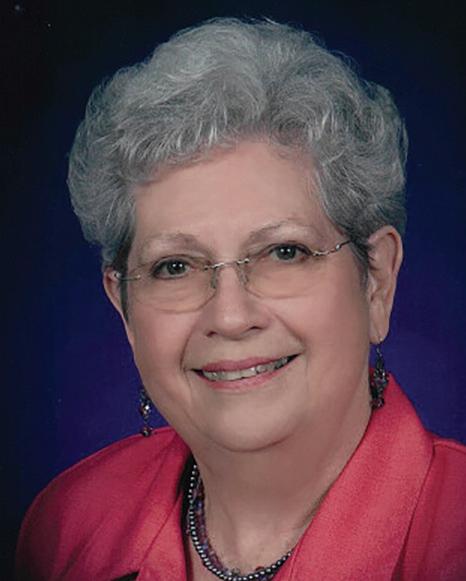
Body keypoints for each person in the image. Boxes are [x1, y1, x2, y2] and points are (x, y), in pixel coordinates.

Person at [16, 17, 466, 581]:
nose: (230, 316)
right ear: (124, 306)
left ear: (376, 280)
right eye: (174, 266)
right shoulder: (68, 526)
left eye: (284, 253)